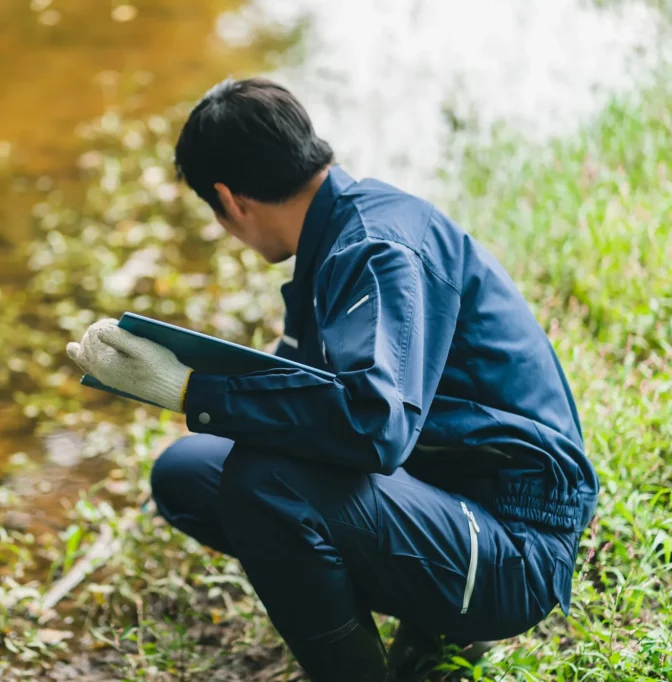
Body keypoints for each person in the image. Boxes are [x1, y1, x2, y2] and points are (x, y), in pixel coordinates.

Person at [65, 77, 599, 682]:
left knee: (263, 482)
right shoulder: (333, 233)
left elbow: (376, 426)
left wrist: (191, 390)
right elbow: (309, 387)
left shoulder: (375, 248)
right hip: (445, 488)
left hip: (513, 547)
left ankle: (412, 646)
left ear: (229, 200)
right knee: (188, 473)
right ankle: (426, 620)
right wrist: (194, 374)